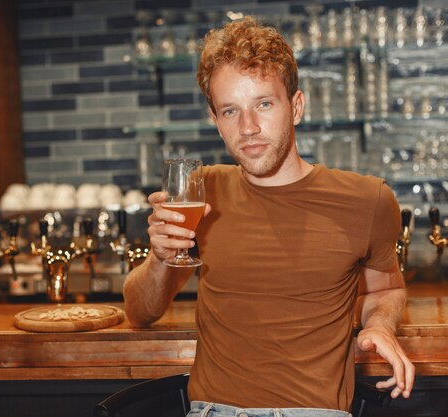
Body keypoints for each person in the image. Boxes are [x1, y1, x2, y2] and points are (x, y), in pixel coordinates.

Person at [123, 16, 414, 417]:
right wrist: (159, 255)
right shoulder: (200, 191)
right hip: (213, 411)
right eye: (230, 111)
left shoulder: (369, 200)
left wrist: (379, 326)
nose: (249, 127)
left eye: (263, 103)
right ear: (215, 121)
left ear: (295, 107)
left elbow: (384, 291)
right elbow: (141, 312)